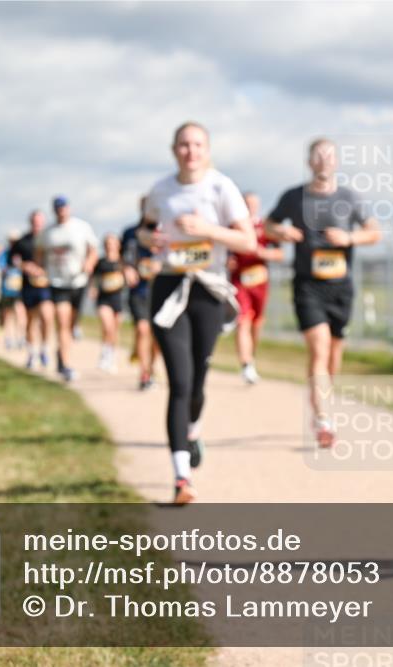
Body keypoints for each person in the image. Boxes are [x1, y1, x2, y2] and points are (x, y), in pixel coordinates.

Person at [140, 121, 256, 504]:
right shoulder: (161, 189)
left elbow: (248, 241)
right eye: (184, 145)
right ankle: (181, 478)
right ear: (174, 150)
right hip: (169, 287)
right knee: (180, 381)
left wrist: (207, 229)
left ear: (207, 150)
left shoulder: (221, 187)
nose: (190, 151)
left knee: (198, 381)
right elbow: (143, 229)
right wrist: (150, 237)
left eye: (197, 144)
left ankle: (192, 428)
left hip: (208, 289)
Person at [264, 138, 381, 447]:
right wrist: (281, 231)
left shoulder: (349, 197)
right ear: (309, 162)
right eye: (318, 156)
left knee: (333, 356)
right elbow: (268, 225)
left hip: (341, 286)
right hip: (307, 284)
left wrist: (349, 238)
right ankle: (324, 420)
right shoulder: (293, 197)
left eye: (329, 156)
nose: (324, 161)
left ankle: (322, 402)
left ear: (336, 162)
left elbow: (374, 232)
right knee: (319, 349)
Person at [35, 195, 98, 382]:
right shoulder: (47, 232)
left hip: (78, 282)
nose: (61, 211)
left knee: (70, 325)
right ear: (54, 210)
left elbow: (93, 250)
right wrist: (40, 269)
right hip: (57, 283)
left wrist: (89, 263)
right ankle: (66, 365)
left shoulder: (81, 227)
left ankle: (61, 353)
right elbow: (38, 253)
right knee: (62, 322)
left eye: (63, 207)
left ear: (68, 208)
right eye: (58, 208)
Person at [228, 192, 284, 384]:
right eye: (247, 203)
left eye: (253, 204)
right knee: (242, 321)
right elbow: (224, 253)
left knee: (256, 323)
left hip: (260, 282)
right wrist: (229, 262)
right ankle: (246, 364)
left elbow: (279, 254)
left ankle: (251, 357)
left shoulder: (265, 227)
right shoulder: (233, 227)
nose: (250, 207)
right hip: (239, 283)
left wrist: (262, 253)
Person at [122, 196, 162, 390]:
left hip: (161, 290)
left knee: (158, 336)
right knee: (143, 329)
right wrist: (127, 269)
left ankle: (152, 368)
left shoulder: (165, 233)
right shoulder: (130, 233)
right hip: (139, 290)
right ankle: (144, 374)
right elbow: (123, 258)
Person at [11, 210, 56, 370]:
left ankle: (44, 349)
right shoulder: (22, 241)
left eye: (39, 221)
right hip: (28, 286)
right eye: (35, 221)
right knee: (31, 320)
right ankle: (31, 353)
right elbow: (13, 260)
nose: (37, 224)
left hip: (46, 285)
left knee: (47, 316)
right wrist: (24, 266)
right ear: (30, 222)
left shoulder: (50, 239)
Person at [90, 233, 126, 373]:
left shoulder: (122, 262)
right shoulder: (101, 262)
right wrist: (93, 288)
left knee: (114, 330)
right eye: (108, 244)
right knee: (107, 326)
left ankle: (112, 356)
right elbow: (94, 278)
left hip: (118, 298)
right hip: (104, 298)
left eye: (113, 243)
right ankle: (105, 354)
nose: (110, 246)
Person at [0, 231, 27, 350]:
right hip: (7, 290)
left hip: (20, 290)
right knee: (8, 314)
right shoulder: (5, 254)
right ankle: (8, 338)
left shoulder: (22, 253)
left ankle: (21, 337)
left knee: (20, 313)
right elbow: (1, 269)